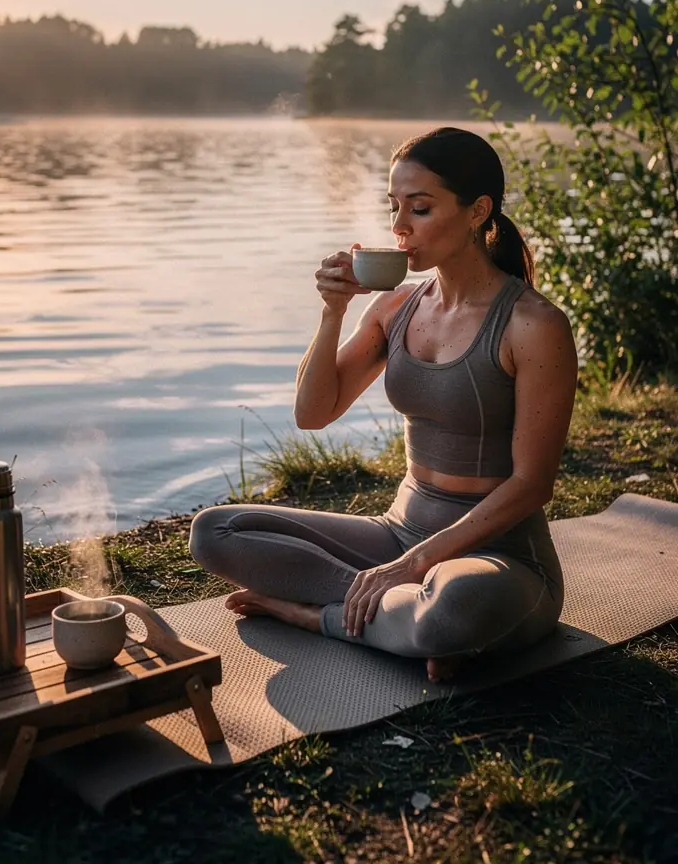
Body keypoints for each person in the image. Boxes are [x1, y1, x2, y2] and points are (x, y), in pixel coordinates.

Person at [189, 127, 578, 682]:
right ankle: (401, 618)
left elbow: (532, 485)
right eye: (393, 206)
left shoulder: (533, 325)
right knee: (216, 531)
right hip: (397, 532)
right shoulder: (396, 308)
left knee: (453, 606)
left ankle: (318, 615)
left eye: (419, 208)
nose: (398, 226)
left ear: (477, 211)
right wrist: (333, 312)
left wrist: (414, 564)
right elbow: (313, 413)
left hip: (498, 557)